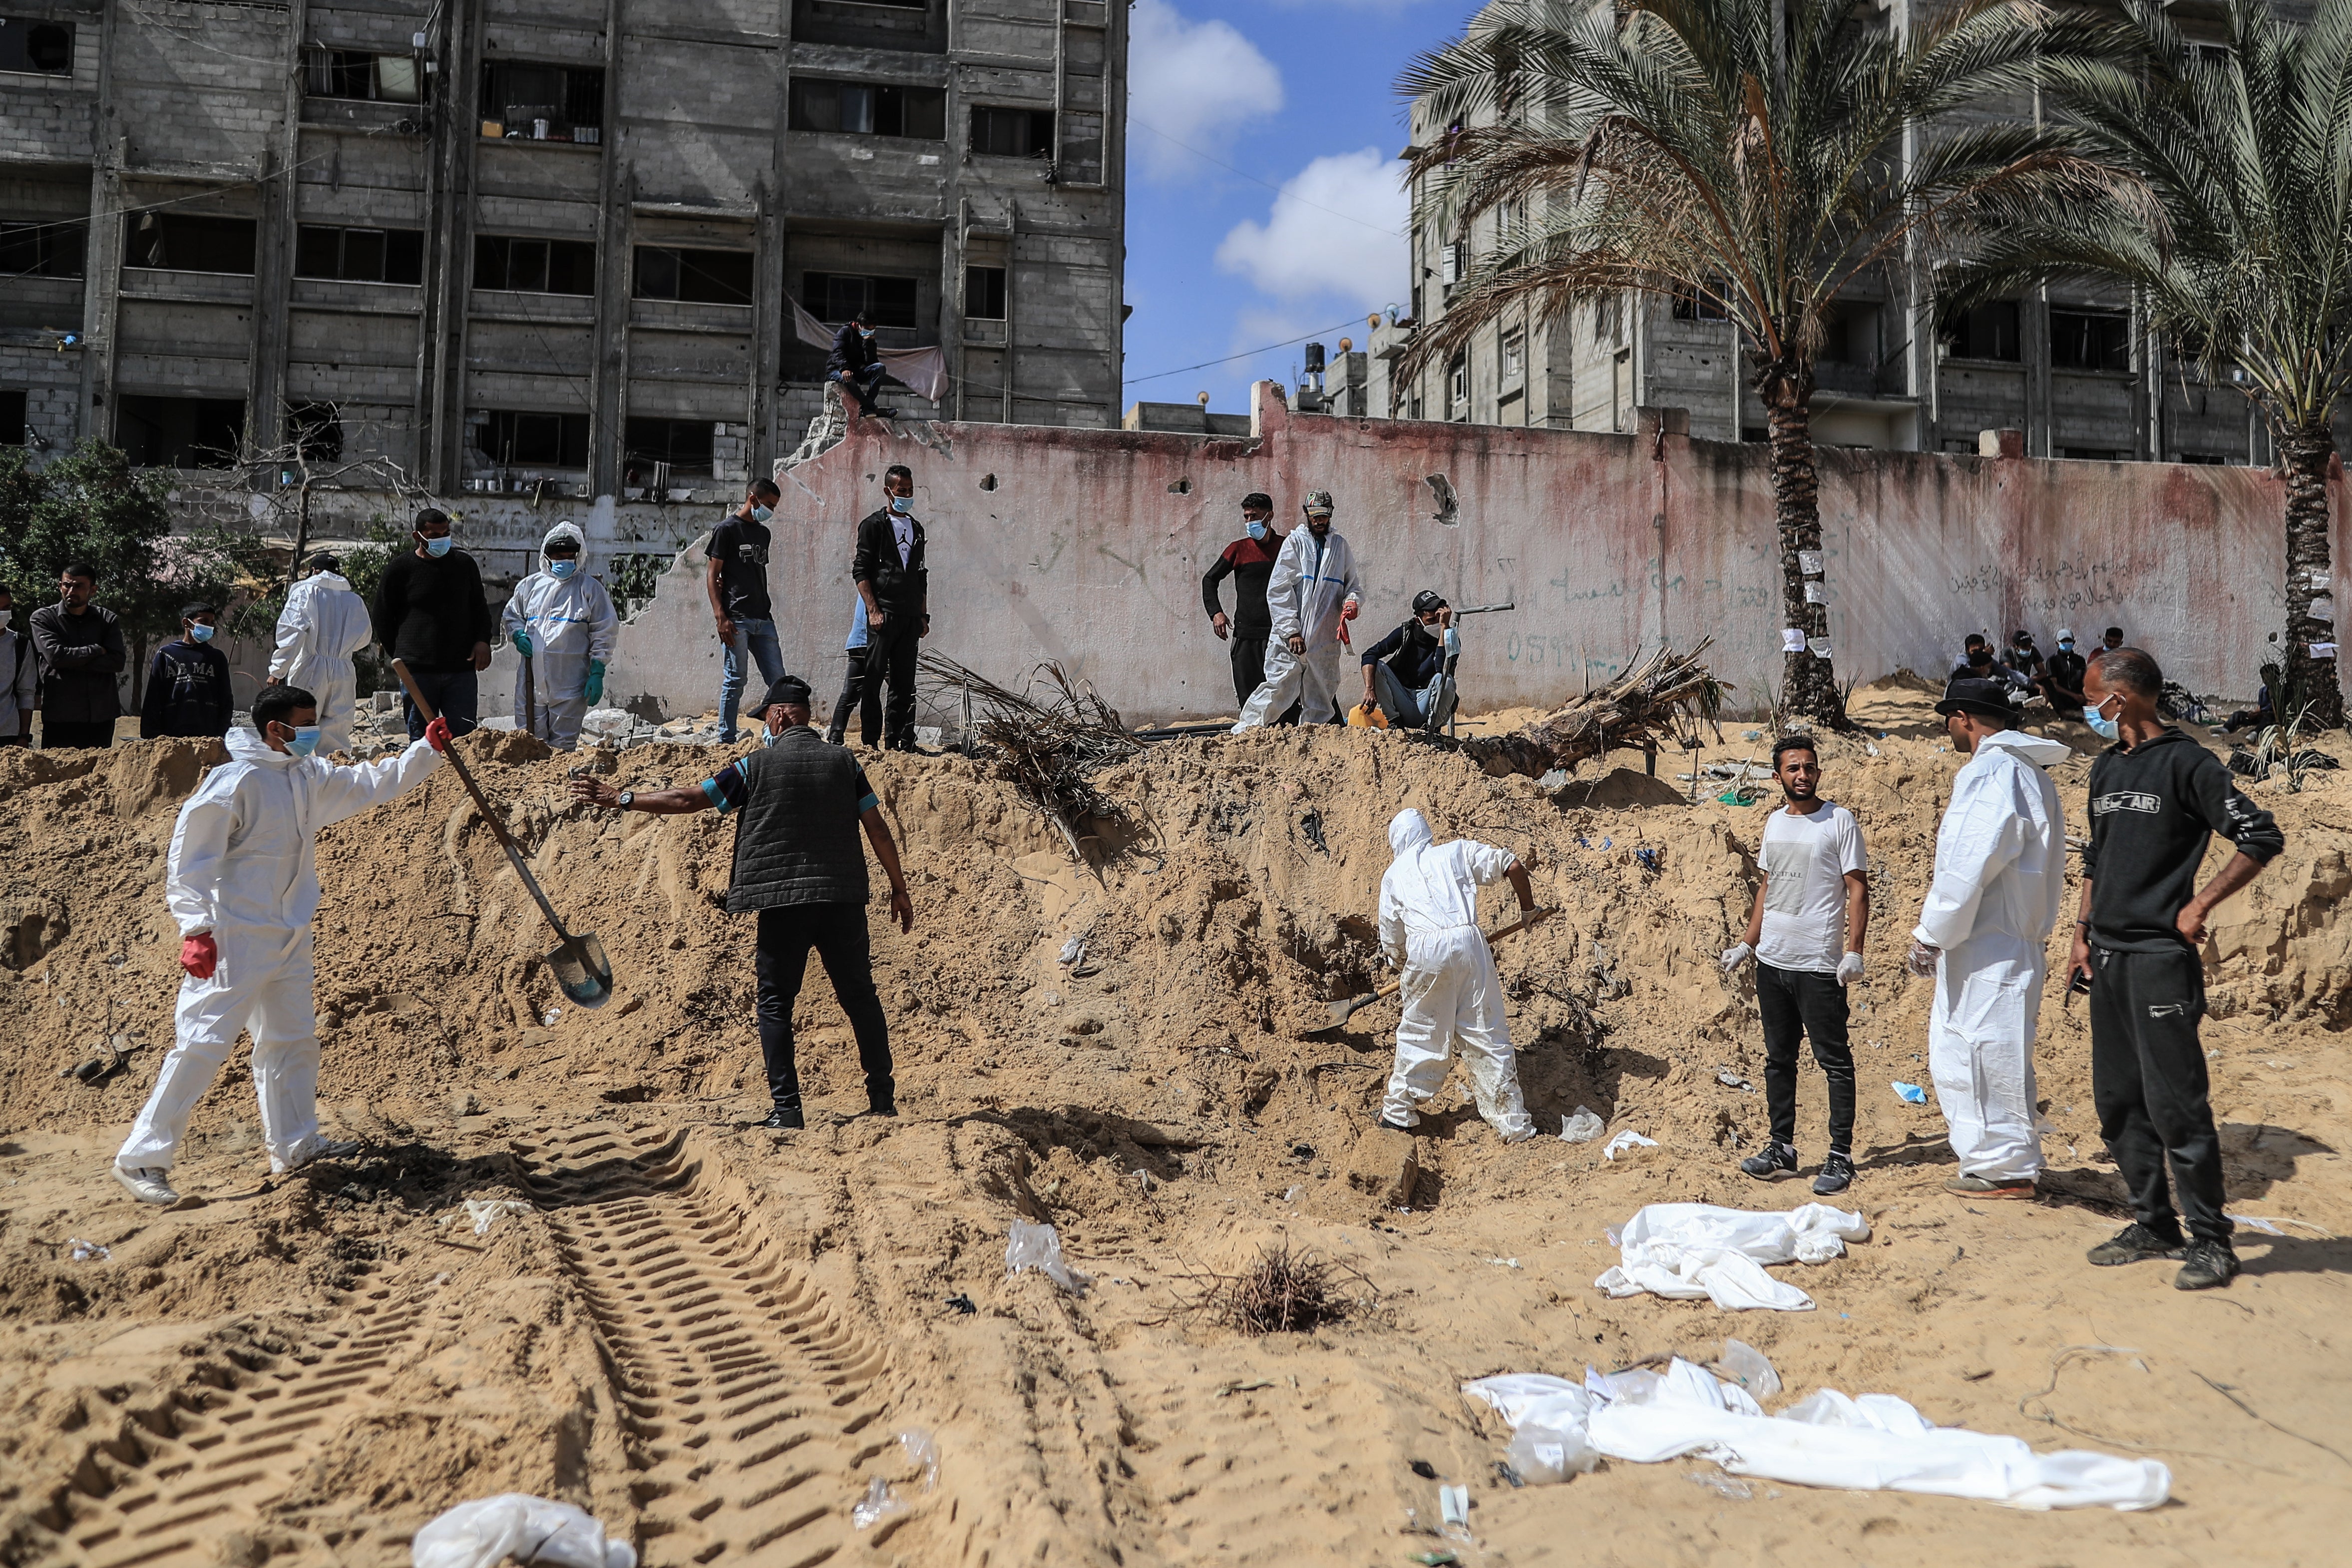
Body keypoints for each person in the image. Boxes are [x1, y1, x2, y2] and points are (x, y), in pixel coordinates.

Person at [110, 687, 450, 1204]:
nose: (314, 730)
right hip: (236, 937)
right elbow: (190, 859)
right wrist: (196, 928)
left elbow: (368, 782)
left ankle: (295, 1142)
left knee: (291, 1039)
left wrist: (425, 750)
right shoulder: (236, 782)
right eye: (306, 722)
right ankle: (142, 1157)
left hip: (289, 932)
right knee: (201, 1045)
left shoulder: (304, 776)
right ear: (275, 728)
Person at [569, 676, 913, 1129]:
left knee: (774, 1004)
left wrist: (623, 798)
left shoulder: (755, 766)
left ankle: (787, 1110)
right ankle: (882, 1101)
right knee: (860, 997)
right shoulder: (844, 762)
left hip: (782, 902)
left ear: (777, 716)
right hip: (840, 900)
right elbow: (878, 827)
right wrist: (899, 885)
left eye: (765, 719)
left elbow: (689, 798)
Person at [2070, 647, 2283, 1290]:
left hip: (2160, 960)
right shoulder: (2106, 768)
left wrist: (2199, 903)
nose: (2086, 709)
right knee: (2118, 1102)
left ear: (2123, 697)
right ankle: (2153, 1223)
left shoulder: (2189, 763)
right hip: (2106, 957)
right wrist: (2081, 936)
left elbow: (2262, 836)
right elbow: (2094, 859)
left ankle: (2212, 1241)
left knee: (2177, 1106)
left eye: (2091, 697)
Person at [1904, 677, 2070, 1199]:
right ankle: (2009, 1163)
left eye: (1947, 717)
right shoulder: (2028, 773)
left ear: (1964, 718)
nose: (1946, 727)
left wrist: (1931, 934)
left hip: (1986, 946)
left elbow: (1967, 863)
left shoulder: (1992, 772)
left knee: (1976, 1054)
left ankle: (2003, 1171)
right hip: (2009, 943)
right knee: (1998, 1054)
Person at [1720, 735, 1870, 1195]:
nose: (1802, 775)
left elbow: (1858, 889)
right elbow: (1767, 888)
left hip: (1818, 964)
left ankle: (1841, 1156)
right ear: (1777, 776)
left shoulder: (1838, 822)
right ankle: (1781, 1148)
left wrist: (1854, 950)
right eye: (1792, 768)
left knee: (1834, 1061)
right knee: (1779, 1060)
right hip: (1773, 963)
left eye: (1809, 767)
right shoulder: (1773, 824)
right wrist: (1748, 945)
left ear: (1818, 774)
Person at [1375, 808, 1540, 1141]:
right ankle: (1514, 1124)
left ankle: (1397, 1114)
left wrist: (1405, 965)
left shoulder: (1394, 876)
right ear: (1425, 833)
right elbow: (1513, 866)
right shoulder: (1456, 852)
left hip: (1424, 952)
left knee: (1422, 1032)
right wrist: (1528, 910)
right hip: (1470, 945)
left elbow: (1392, 939)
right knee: (1487, 1033)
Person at [1231, 490, 1361, 730]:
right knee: (1278, 688)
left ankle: (1312, 738)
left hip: (1324, 640)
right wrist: (1292, 632)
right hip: (1291, 640)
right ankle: (1246, 731)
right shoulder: (1296, 543)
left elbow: (1352, 585)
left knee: (1322, 693)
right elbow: (1279, 589)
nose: (1319, 521)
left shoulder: (1340, 547)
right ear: (1307, 515)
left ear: (1330, 514)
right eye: (1315, 517)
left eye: (1324, 516)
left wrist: (1352, 602)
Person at [371, 508, 493, 741]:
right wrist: (402, 656)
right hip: (417, 674)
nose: (442, 539)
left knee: (464, 740)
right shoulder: (401, 569)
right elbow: (382, 616)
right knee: (422, 743)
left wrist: (482, 641)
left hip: (461, 671)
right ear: (418, 536)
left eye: (446, 533)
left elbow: (480, 608)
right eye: (435, 535)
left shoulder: (464, 565)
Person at [503, 521, 619, 750]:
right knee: (530, 743)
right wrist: (517, 635)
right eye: (558, 555)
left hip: (570, 684)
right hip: (531, 681)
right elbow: (512, 615)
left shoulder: (589, 589)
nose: (564, 560)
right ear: (547, 556)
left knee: (562, 747)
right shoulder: (530, 587)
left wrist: (597, 670)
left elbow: (604, 629)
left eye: (569, 555)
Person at [853, 465, 929, 752]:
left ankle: (897, 741)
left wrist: (923, 615)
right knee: (873, 679)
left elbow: (921, 575)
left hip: (909, 617)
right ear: (888, 491)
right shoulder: (874, 525)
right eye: (902, 491)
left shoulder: (917, 529)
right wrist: (873, 610)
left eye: (910, 491)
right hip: (884, 616)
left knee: (904, 683)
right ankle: (870, 741)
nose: (907, 495)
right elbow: (861, 571)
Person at [269, 551, 374, 753]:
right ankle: (334, 776)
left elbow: (293, 631)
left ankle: (299, 776)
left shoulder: (306, 592)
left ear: (314, 571)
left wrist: (278, 669)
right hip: (344, 668)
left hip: (311, 666)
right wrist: (341, 650)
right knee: (338, 729)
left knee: (301, 727)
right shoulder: (354, 600)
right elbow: (364, 638)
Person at [708, 478, 787, 744]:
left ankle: (781, 735)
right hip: (736, 619)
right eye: (768, 505)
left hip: (763, 619)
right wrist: (721, 617)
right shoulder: (726, 530)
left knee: (779, 682)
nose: (771, 512)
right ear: (753, 499)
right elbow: (712, 574)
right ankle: (726, 738)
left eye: (775, 507)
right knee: (736, 680)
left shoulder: (764, 534)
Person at [1201, 493, 1285, 710]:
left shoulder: (1287, 548)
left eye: (1255, 516)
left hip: (1279, 635)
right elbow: (1210, 580)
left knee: (1284, 698)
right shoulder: (1238, 549)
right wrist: (1216, 613)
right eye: (1247, 517)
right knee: (1249, 699)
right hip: (1246, 636)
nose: (1250, 522)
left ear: (1270, 516)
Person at [30, 562, 126, 749]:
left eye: (79, 586)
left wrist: (70, 661)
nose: (71, 591)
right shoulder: (44, 619)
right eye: (67, 585)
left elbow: (117, 662)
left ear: (93, 590)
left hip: (101, 716)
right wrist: (97, 650)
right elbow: (56, 657)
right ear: (60, 586)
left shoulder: (107, 620)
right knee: (58, 775)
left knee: (97, 776)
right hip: (61, 716)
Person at [1359, 591, 1460, 731]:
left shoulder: (1450, 637)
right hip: (1403, 700)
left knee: (1445, 680)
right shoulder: (1406, 632)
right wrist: (1369, 689)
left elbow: (1441, 669)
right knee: (1378, 666)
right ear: (1418, 620)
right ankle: (1395, 723)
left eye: (1439, 619)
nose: (1436, 623)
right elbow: (1370, 655)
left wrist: (1445, 628)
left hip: (1429, 704)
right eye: (1431, 620)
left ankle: (1432, 730)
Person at [139, 604, 235, 740]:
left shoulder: (217, 657)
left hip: (207, 732)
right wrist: (151, 734)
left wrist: (222, 732)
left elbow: (226, 698)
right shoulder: (166, 654)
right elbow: (153, 698)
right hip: (172, 732)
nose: (209, 627)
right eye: (204, 622)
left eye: (212, 623)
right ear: (186, 623)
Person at [827, 310, 903, 417]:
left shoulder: (867, 339)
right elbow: (837, 353)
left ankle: (867, 409)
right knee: (849, 380)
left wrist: (870, 343)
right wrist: (844, 368)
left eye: (872, 330)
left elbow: (872, 362)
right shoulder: (845, 332)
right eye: (867, 330)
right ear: (859, 325)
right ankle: (874, 408)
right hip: (837, 370)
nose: (869, 332)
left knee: (880, 368)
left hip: (854, 371)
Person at [824, 596, 871, 748]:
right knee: (905, 692)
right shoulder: (883, 575)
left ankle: (835, 738)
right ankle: (905, 740)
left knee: (851, 693)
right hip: (873, 640)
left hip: (859, 640)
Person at [0, 582, 35, 747]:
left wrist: (24, 736)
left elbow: (26, 692)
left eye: (6, 607)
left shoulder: (19, 644)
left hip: (7, 737)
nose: (2, 613)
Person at [2044, 627, 2090, 713]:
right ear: (2057, 643)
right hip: (2062, 698)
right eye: (2063, 642)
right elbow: (2054, 685)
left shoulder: (2080, 660)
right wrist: (2074, 696)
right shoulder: (2053, 661)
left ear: (2074, 643)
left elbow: (2085, 680)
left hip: (2078, 699)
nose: (2066, 644)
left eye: (2069, 641)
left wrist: (2082, 696)